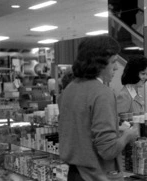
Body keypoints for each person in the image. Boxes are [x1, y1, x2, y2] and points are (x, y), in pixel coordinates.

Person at [58, 35, 138, 181]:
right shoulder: (102, 93)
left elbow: (80, 128)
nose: (116, 67)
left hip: (75, 172)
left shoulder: (69, 89)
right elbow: (107, 150)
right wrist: (128, 135)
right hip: (97, 174)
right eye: (113, 62)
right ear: (99, 64)